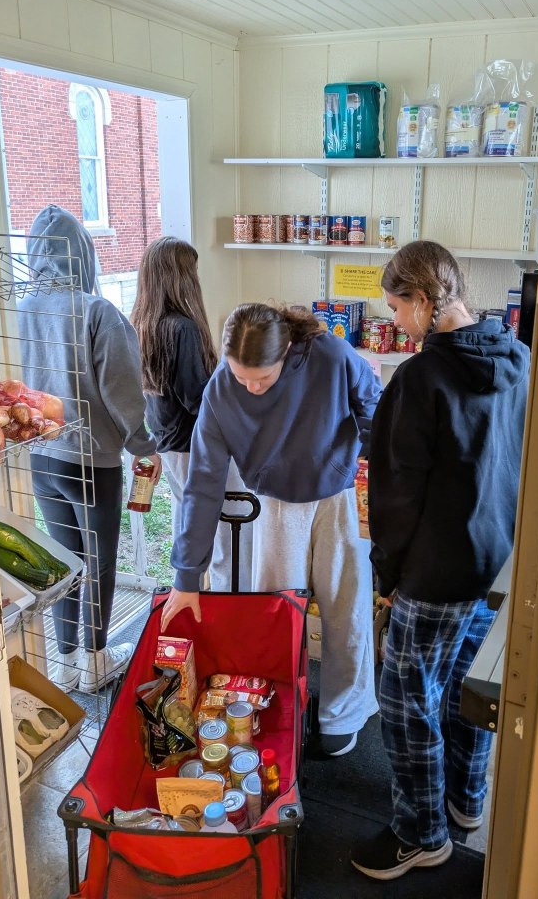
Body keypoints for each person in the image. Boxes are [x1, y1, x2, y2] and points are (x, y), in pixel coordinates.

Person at [350, 241, 530, 881]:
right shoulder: (518, 357)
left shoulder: (420, 379)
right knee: (464, 692)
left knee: (406, 699)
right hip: (495, 562)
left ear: (424, 301)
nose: (397, 321)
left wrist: (388, 575)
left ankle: (421, 833)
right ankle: (465, 800)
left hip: (433, 570)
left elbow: (397, 493)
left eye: (398, 307)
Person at [159, 302, 383, 756]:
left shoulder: (330, 355)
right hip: (275, 503)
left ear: (287, 352)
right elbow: (203, 484)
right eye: (241, 377)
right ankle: (278, 704)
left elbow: (374, 404)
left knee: (347, 608)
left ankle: (343, 712)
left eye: (262, 377)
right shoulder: (221, 390)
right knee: (278, 614)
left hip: (339, 494)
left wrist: (371, 455)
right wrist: (186, 576)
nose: (252, 387)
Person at [18, 206, 161, 693]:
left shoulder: (25, 309)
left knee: (64, 562)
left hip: (41, 455)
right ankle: (96, 661)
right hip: (92, 460)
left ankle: (65, 662)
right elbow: (123, 392)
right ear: (83, 254)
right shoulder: (98, 312)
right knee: (99, 562)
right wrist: (143, 445)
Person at [131, 237, 218, 539]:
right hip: (189, 443)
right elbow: (197, 398)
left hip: (165, 439)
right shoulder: (183, 328)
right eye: (193, 271)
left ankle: (184, 571)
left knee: (184, 517)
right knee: (201, 527)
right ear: (181, 277)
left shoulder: (143, 323)